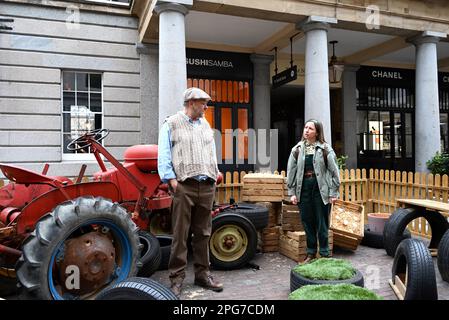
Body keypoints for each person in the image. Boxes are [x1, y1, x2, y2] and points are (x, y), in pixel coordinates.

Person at [157, 87, 223, 297]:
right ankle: (176, 280)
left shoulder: (205, 124)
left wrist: (215, 172)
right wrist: (172, 181)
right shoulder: (171, 123)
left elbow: (211, 152)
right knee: (180, 234)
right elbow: (164, 155)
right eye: (203, 102)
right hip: (184, 185)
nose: (206, 106)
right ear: (191, 102)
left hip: (206, 185)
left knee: (203, 233)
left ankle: (203, 275)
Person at [286, 119, 340, 264]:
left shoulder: (325, 149)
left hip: (320, 189)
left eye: (310, 128)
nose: (306, 130)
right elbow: (291, 171)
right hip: (303, 189)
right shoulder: (296, 149)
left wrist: (333, 192)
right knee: (307, 222)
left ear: (317, 132)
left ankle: (324, 254)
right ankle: (310, 254)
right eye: (305, 127)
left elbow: (334, 171)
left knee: (322, 222)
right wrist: (292, 192)